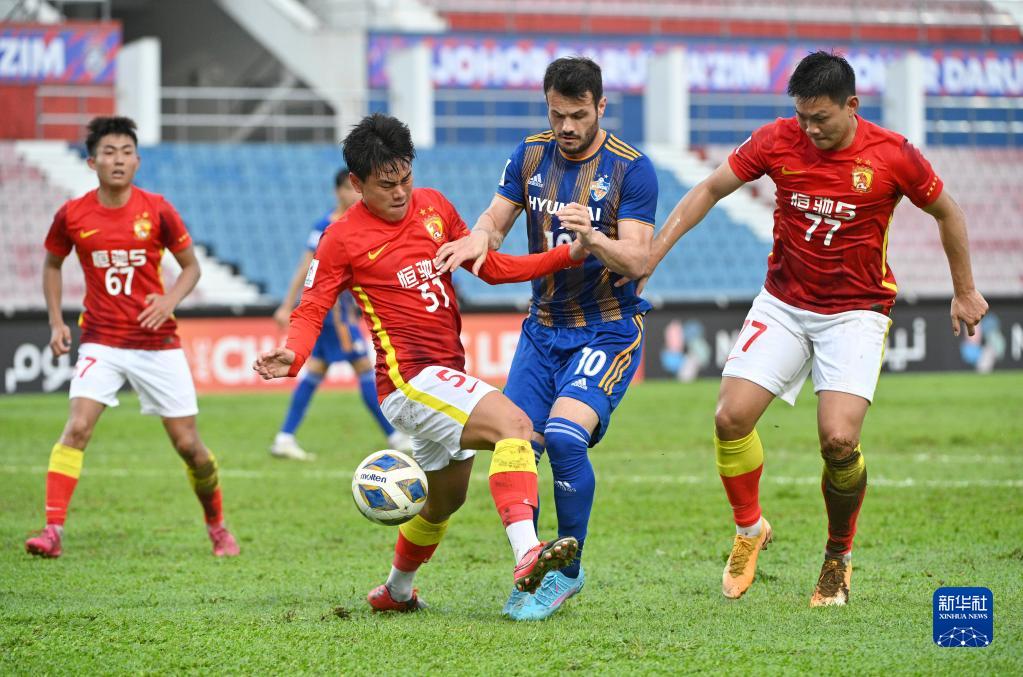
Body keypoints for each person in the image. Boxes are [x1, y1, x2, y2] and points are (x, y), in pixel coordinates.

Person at [632, 51, 988, 606]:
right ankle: (750, 529)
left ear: (852, 105)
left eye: (820, 118)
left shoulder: (892, 154)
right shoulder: (777, 139)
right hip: (784, 303)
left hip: (856, 312)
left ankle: (837, 556)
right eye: (802, 117)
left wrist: (964, 290)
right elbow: (709, 189)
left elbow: (949, 212)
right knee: (729, 418)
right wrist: (654, 253)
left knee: (839, 441)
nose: (809, 128)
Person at [253, 113, 587, 613]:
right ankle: (527, 554)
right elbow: (312, 306)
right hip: (408, 381)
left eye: (405, 178)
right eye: (386, 185)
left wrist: (567, 256)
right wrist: (295, 353)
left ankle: (396, 592)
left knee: (445, 500)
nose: (401, 192)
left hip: (445, 374)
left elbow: (490, 267)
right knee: (516, 426)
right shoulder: (341, 238)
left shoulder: (433, 205)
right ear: (356, 184)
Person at [435, 56, 658, 620]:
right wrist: (479, 236)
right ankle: (532, 566)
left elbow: (638, 260)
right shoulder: (530, 154)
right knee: (516, 446)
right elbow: (495, 219)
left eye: (578, 115)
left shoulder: (632, 169)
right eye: (557, 114)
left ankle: (568, 571)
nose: (566, 126)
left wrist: (594, 238)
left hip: (607, 328)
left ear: (600, 106)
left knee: (562, 436)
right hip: (542, 330)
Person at [25, 116, 240, 559]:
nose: (118, 159)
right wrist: (56, 321)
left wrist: (169, 300)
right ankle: (52, 531)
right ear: (92, 162)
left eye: (126, 152)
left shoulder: (157, 209)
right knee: (77, 427)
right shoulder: (72, 214)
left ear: (137, 161)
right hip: (101, 340)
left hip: (157, 343)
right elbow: (52, 264)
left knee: (190, 447)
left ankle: (218, 527)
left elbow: (191, 267)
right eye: (109, 152)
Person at [270, 168, 410, 461]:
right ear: (338, 192)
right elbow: (306, 267)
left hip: (343, 309)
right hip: (334, 313)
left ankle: (284, 437)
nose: (353, 194)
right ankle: (394, 435)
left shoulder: (360, 222)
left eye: (355, 189)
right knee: (364, 367)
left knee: (316, 371)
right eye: (348, 189)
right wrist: (287, 304)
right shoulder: (328, 226)